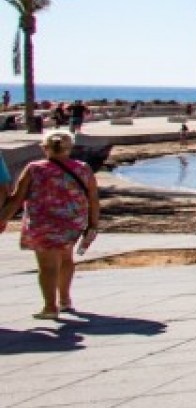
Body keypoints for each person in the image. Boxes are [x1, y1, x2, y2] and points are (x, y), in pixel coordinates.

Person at [0, 130, 101, 320]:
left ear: (44, 148)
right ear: (70, 147)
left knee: (47, 266)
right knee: (66, 258)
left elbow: (17, 199)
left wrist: (3, 218)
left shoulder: (34, 168)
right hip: (72, 222)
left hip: (43, 223)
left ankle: (49, 306)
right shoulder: (83, 168)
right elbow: (93, 199)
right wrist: (93, 224)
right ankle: (65, 299)